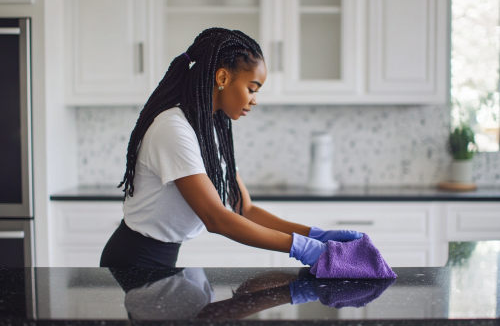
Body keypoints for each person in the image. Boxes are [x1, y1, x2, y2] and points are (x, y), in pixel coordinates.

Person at [100, 27, 362, 268]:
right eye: (252, 88)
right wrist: (303, 249)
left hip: (163, 257)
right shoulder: (173, 129)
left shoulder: (211, 128)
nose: (255, 100)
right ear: (223, 77)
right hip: (133, 261)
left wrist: (315, 235)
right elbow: (216, 218)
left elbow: (243, 208)